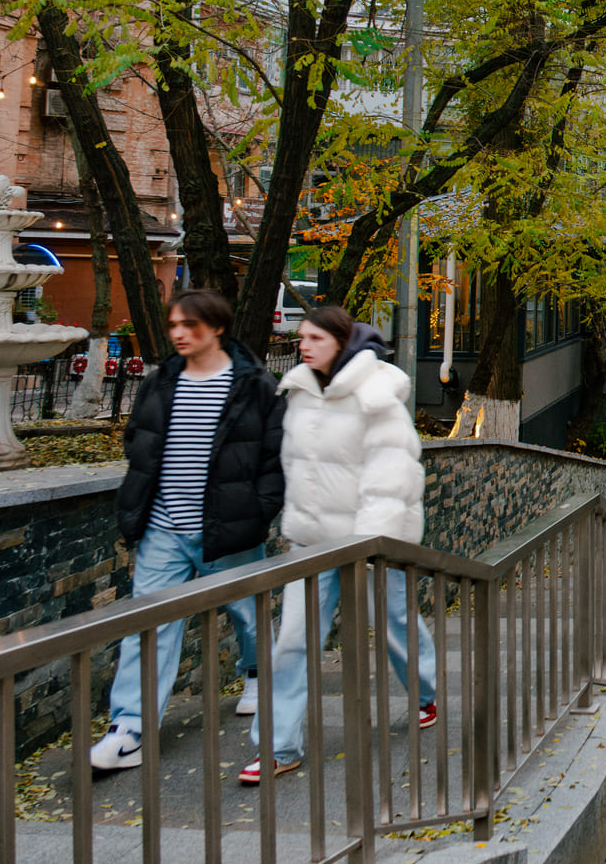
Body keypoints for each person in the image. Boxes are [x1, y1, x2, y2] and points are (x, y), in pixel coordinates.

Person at [91, 290, 284, 772]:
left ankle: (257, 676)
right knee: (147, 627)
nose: (178, 333)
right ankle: (130, 727)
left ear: (216, 328)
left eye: (190, 325)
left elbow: (274, 458)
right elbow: (138, 437)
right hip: (163, 529)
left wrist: (257, 511)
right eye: (174, 324)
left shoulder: (254, 384)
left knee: (249, 615)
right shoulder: (159, 381)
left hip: (231, 528)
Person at [243, 307, 437, 783]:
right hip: (310, 541)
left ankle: (426, 693)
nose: (303, 346)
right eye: (300, 338)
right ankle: (279, 746)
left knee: (393, 624)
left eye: (313, 338)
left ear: (341, 341)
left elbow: (390, 475)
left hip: (372, 542)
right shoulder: (300, 393)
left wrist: (368, 543)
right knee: (291, 640)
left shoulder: (376, 394)